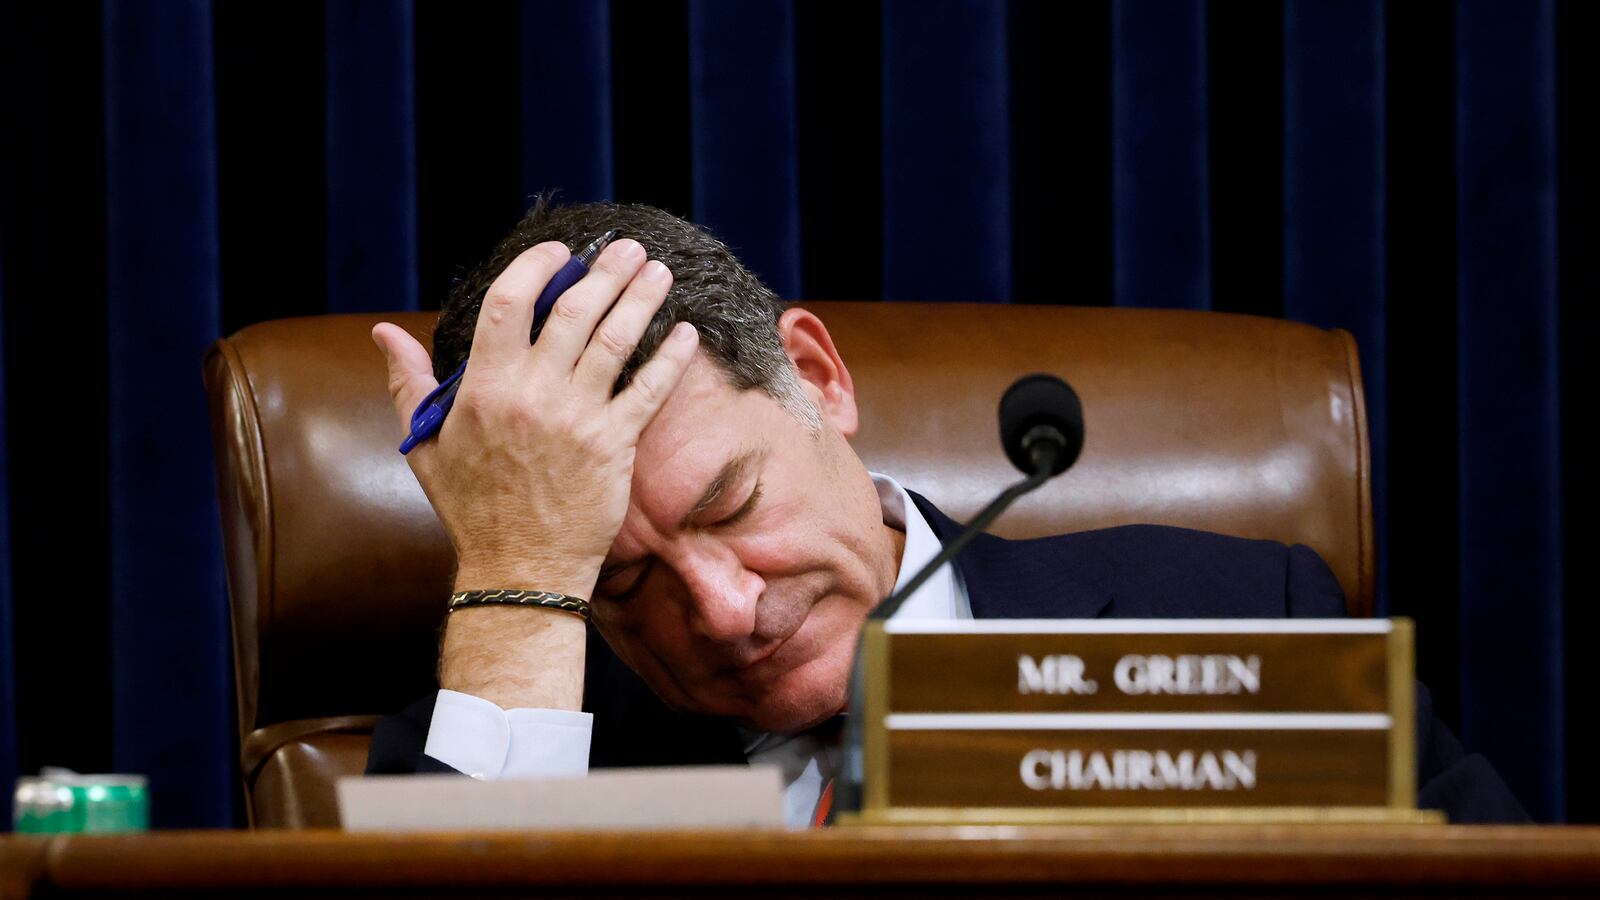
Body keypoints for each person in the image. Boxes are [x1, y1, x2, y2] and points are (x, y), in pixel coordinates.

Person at [366, 199, 1526, 825]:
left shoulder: (1232, 622)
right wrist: (517, 575)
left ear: (817, 377)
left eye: (731, 502)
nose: (722, 613)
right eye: (620, 582)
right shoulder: (499, 762)